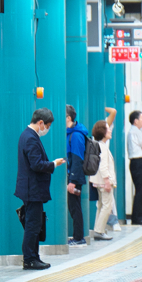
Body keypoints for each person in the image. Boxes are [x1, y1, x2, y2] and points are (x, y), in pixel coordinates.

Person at [17, 108, 65, 270]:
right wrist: (54, 164)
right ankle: (30, 259)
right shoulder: (30, 138)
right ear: (40, 123)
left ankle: (33, 257)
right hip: (32, 189)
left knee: (34, 223)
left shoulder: (27, 135)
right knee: (33, 224)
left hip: (31, 188)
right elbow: (36, 164)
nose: (48, 129)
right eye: (48, 125)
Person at [90, 116, 117, 242]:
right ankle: (99, 231)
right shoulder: (103, 147)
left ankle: (98, 229)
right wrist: (107, 180)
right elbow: (103, 165)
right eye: (108, 129)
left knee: (101, 205)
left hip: (98, 181)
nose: (110, 131)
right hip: (103, 181)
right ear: (103, 132)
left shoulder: (98, 145)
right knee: (107, 205)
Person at [65, 104, 88, 246]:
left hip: (74, 176)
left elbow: (77, 158)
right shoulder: (71, 133)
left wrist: (72, 180)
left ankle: (79, 237)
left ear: (68, 117)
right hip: (72, 175)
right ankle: (77, 236)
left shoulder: (76, 135)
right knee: (73, 206)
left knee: (75, 207)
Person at [127, 110, 142, 225]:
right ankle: (137, 218)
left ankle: (137, 216)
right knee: (141, 190)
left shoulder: (132, 131)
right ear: (136, 121)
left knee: (139, 190)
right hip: (139, 161)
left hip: (135, 162)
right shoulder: (136, 132)